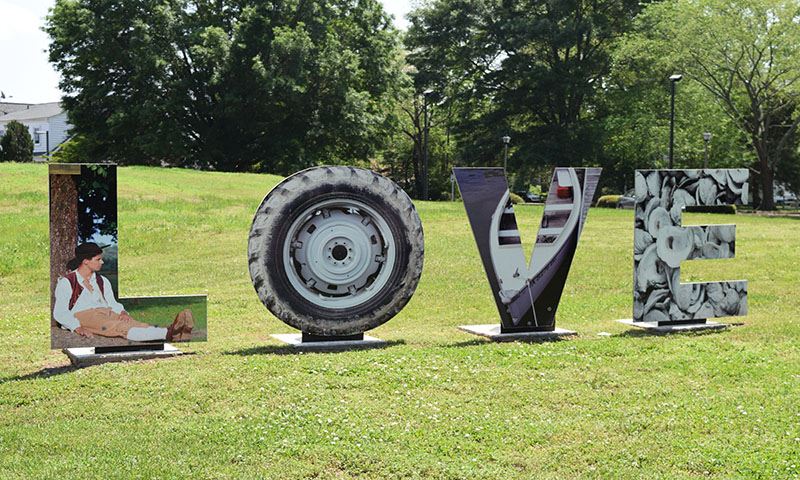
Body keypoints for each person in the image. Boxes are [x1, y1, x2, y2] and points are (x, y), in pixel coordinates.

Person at [53, 242, 193, 342]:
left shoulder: (102, 281)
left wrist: (122, 312)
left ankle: (174, 332)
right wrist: (77, 327)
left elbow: (111, 302)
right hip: (84, 315)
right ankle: (168, 333)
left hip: (106, 312)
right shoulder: (67, 282)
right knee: (119, 327)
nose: (102, 262)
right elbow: (60, 312)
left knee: (136, 323)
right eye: (98, 259)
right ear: (85, 261)